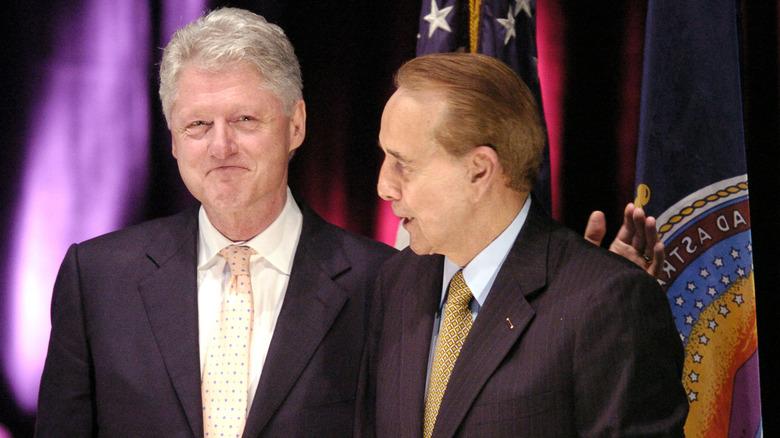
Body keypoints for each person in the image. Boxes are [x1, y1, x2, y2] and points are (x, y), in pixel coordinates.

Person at [35, 8, 395, 437]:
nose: (220, 146)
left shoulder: (384, 284)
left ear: (295, 125)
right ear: (173, 138)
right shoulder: (97, 278)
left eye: (244, 120)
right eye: (198, 125)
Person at [356, 53, 688, 437]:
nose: (384, 186)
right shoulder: (396, 282)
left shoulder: (607, 303)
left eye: (403, 163)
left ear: (479, 170)